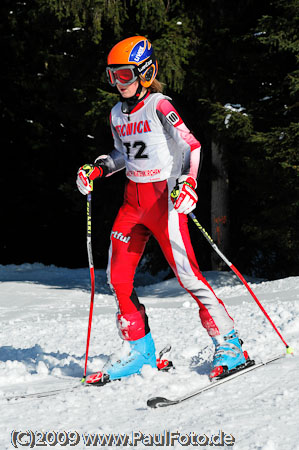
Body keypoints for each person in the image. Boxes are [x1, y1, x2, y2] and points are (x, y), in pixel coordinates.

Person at [76, 36, 251, 383]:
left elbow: (192, 146)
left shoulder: (159, 105)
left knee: (188, 275)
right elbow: (122, 155)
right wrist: (96, 169)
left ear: (145, 72)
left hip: (163, 200)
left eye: (124, 76)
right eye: (112, 76)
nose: (118, 84)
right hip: (133, 202)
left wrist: (188, 183)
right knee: (117, 278)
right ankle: (142, 352)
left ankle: (230, 343)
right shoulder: (115, 113)